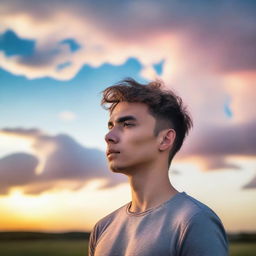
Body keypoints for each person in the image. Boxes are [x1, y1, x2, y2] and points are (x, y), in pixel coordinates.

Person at [89, 78, 228, 256]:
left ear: (165, 139)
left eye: (127, 124)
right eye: (111, 126)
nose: (109, 136)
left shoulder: (195, 222)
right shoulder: (102, 228)